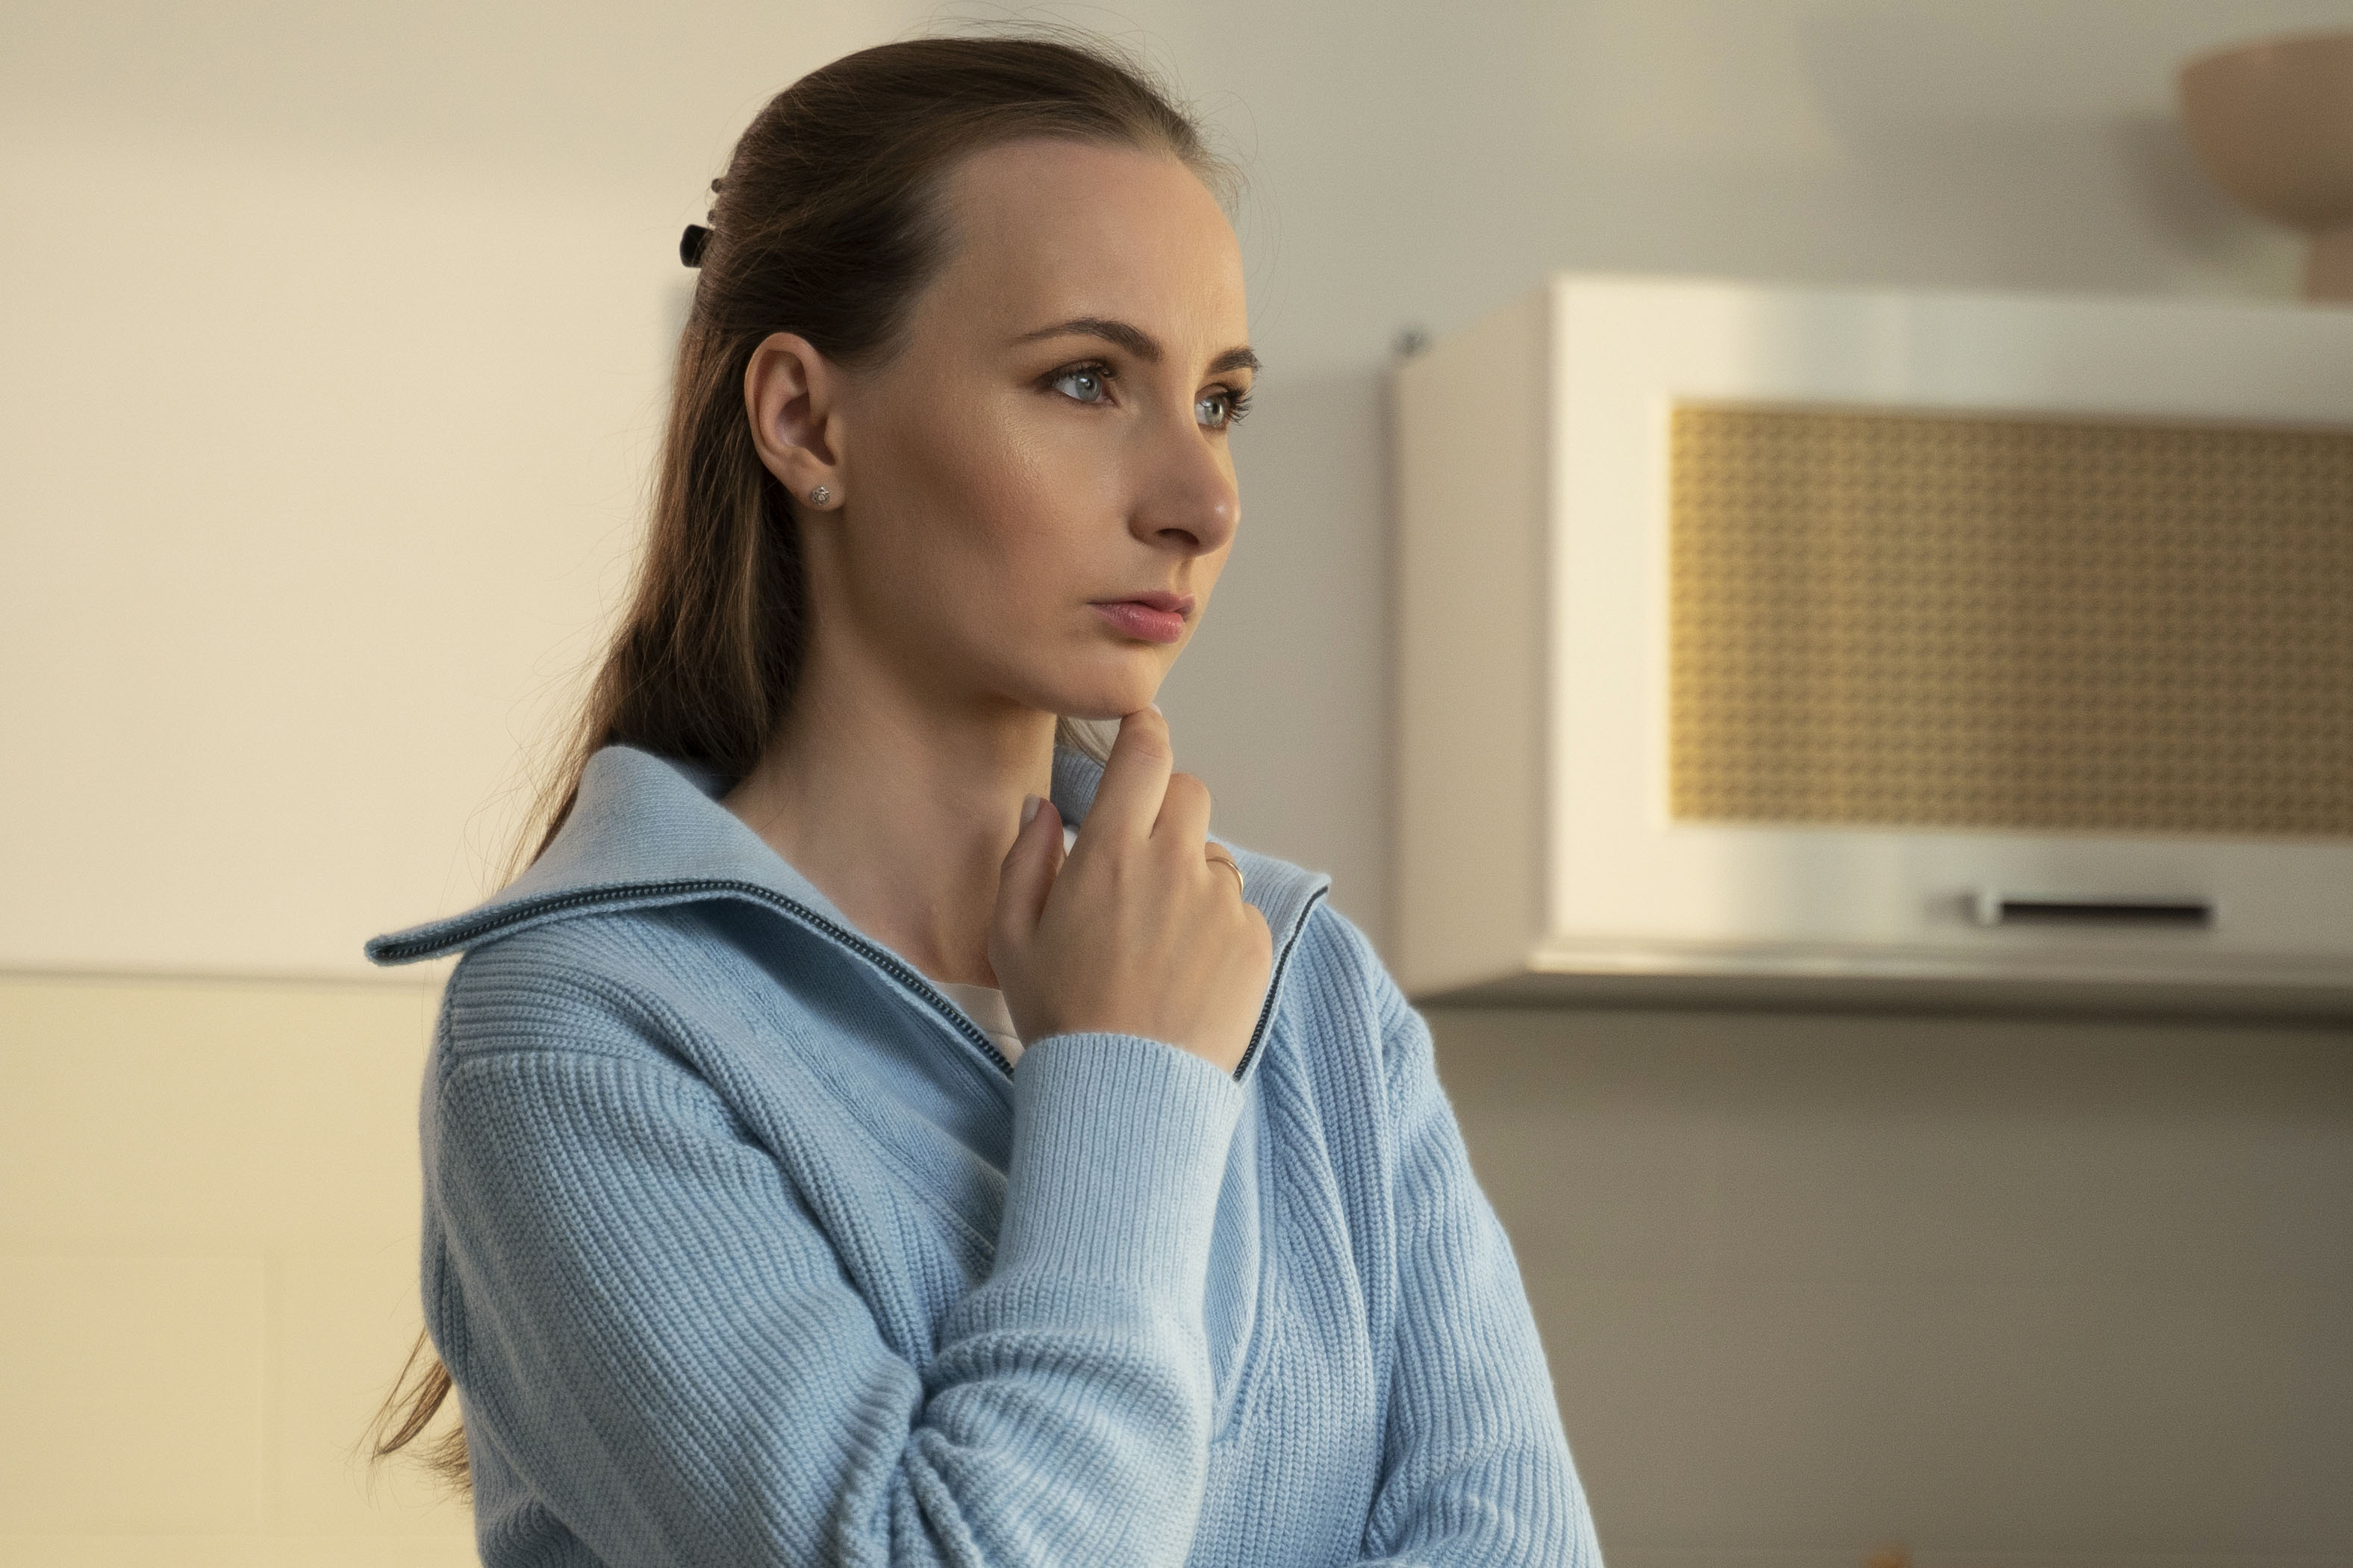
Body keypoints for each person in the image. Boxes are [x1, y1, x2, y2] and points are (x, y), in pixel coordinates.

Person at [364, 28, 1600, 1568]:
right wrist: (1129, 1077)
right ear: (805, 421)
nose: (1203, 500)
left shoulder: (1304, 990)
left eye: (1219, 401)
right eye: (1086, 381)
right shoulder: (580, 1036)